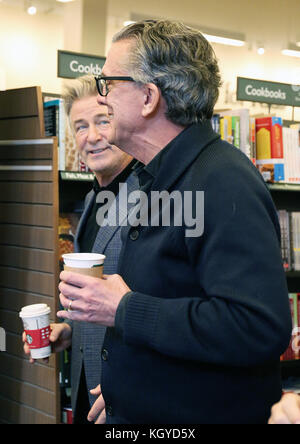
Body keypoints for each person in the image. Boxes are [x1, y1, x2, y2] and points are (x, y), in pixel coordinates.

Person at [57, 20, 292, 424]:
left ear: (148, 97)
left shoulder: (222, 180)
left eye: (108, 83)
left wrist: (124, 308)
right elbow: (172, 296)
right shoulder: (156, 179)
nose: (103, 98)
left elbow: (257, 327)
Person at [23, 75, 137, 424]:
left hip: (131, 393)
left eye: (103, 121)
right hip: (90, 388)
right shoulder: (92, 200)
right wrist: (69, 330)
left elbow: (162, 307)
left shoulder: (156, 200)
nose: (91, 137)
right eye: (80, 126)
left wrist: (139, 381)